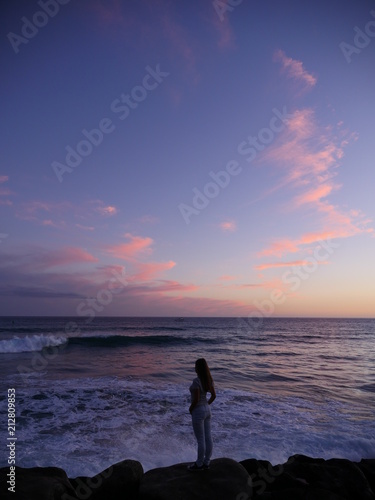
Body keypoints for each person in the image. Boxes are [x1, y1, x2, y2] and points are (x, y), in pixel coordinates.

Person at [188, 358, 216, 470]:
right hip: (207, 410)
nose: (194, 367)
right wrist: (207, 404)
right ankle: (206, 462)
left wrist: (191, 409)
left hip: (198, 410)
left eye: (195, 366)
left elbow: (196, 399)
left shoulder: (197, 381)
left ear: (198, 368)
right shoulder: (209, 379)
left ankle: (199, 464)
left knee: (200, 439)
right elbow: (213, 396)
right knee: (208, 437)